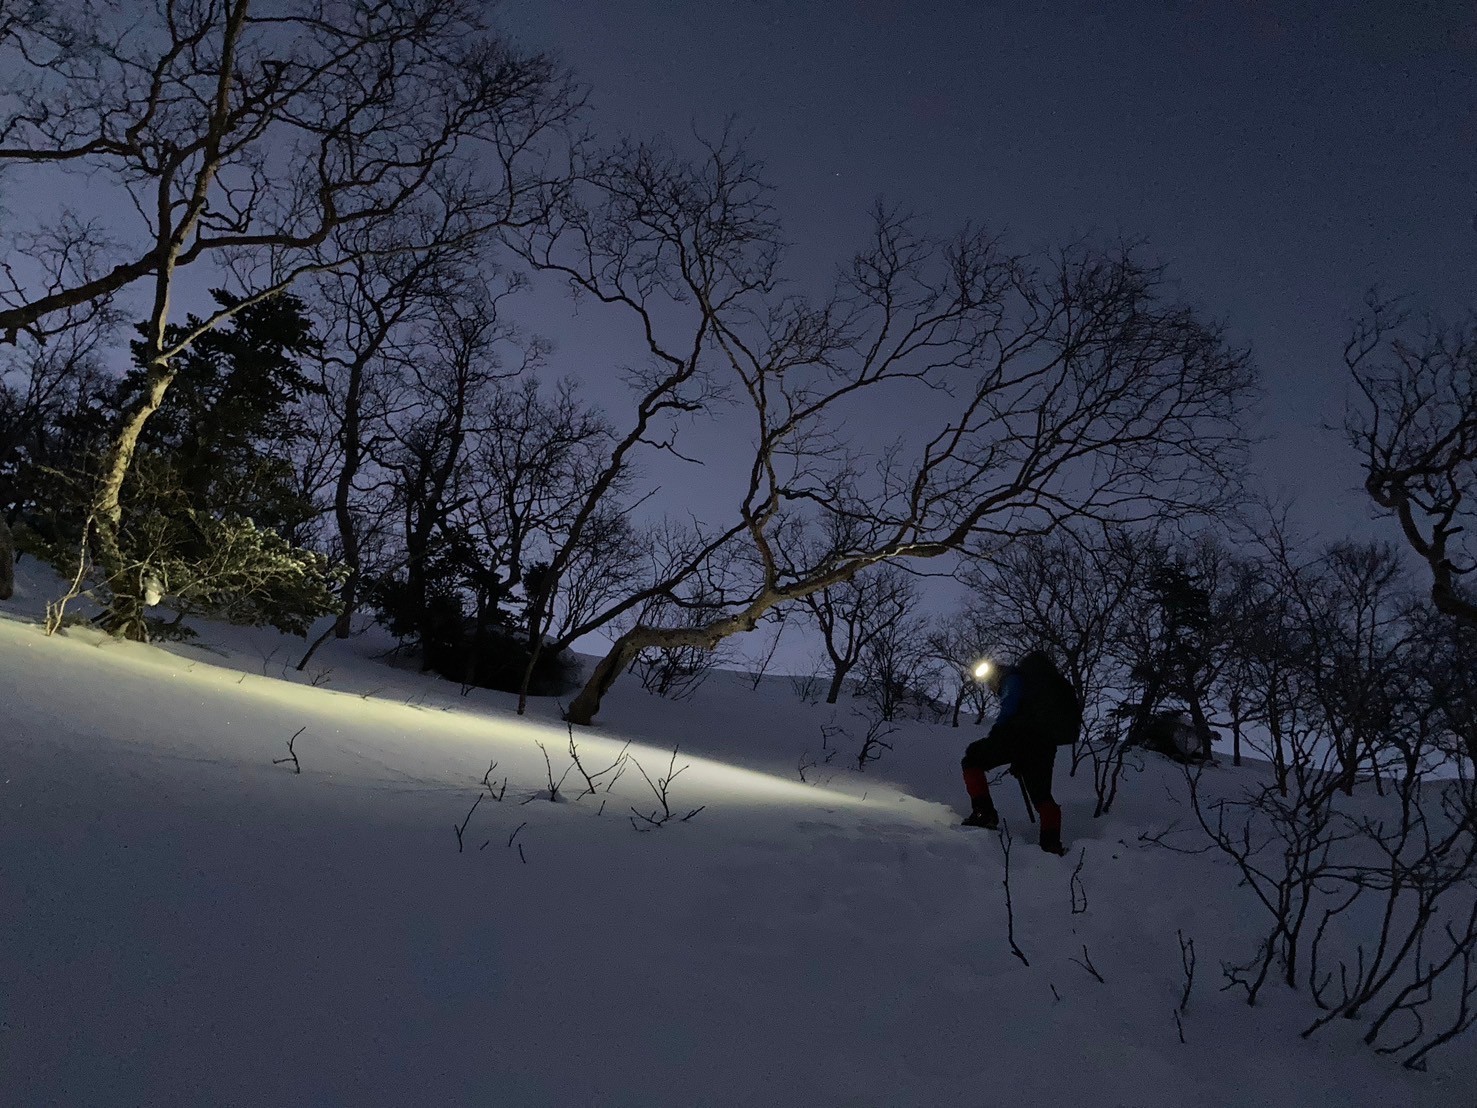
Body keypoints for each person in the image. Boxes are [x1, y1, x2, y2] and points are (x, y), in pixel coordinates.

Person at [960, 649, 1080, 855]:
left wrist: (998, 731)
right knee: (1042, 795)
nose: (991, 688)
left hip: (1018, 734)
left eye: (990, 684)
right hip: (1045, 744)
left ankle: (984, 814)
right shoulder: (1043, 689)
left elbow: (1011, 702)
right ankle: (1051, 844)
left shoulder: (1011, 676)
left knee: (972, 758)